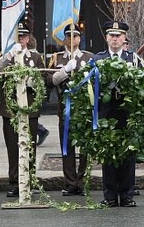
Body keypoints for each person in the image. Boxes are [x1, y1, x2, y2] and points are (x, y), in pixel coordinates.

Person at [0, 22, 46, 198]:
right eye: (18, 36)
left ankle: (30, 180)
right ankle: (15, 182)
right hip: (10, 110)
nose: (21, 40)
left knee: (30, 147)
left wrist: (29, 80)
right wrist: (9, 55)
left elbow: (43, 80)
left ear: (28, 38)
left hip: (29, 108)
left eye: (23, 36)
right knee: (13, 147)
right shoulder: (6, 56)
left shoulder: (35, 58)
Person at [91, 20, 141, 208]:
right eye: (111, 35)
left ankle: (127, 195)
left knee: (128, 155)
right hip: (106, 112)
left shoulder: (133, 59)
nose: (114, 39)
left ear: (124, 38)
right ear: (106, 37)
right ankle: (110, 196)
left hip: (127, 112)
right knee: (108, 155)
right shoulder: (97, 59)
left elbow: (142, 83)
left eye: (118, 35)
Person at [49, 24, 92, 196]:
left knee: (85, 148)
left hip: (84, 108)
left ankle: (82, 182)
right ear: (65, 38)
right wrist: (65, 71)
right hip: (65, 107)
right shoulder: (57, 58)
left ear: (79, 38)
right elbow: (50, 81)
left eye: (75, 36)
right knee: (67, 147)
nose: (72, 39)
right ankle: (70, 183)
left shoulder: (88, 57)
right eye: (69, 36)